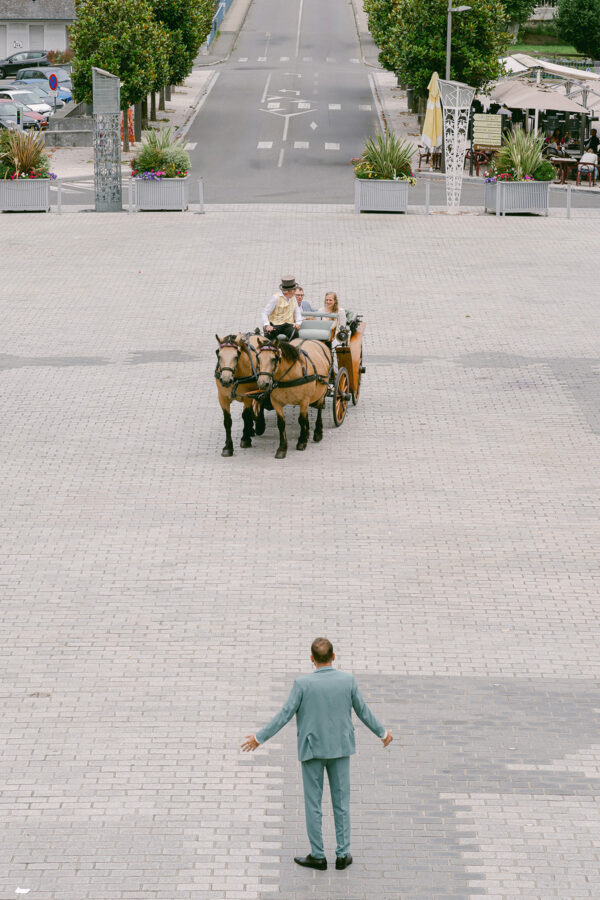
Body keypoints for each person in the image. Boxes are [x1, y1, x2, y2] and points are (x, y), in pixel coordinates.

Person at [242, 638, 392, 871]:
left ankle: (318, 855)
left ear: (311, 659)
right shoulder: (347, 680)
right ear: (334, 656)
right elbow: (363, 711)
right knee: (341, 803)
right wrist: (382, 733)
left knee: (313, 804)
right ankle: (342, 855)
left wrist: (259, 738)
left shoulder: (302, 684)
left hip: (312, 750)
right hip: (340, 750)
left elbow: (284, 715)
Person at [262, 276, 302, 340]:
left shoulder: (293, 298)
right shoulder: (275, 298)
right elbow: (265, 313)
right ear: (289, 291)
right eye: (294, 289)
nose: (295, 291)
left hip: (288, 325)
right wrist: (267, 325)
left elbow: (297, 312)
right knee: (269, 335)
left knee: (295, 333)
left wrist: (298, 323)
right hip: (275, 325)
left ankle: (292, 349)